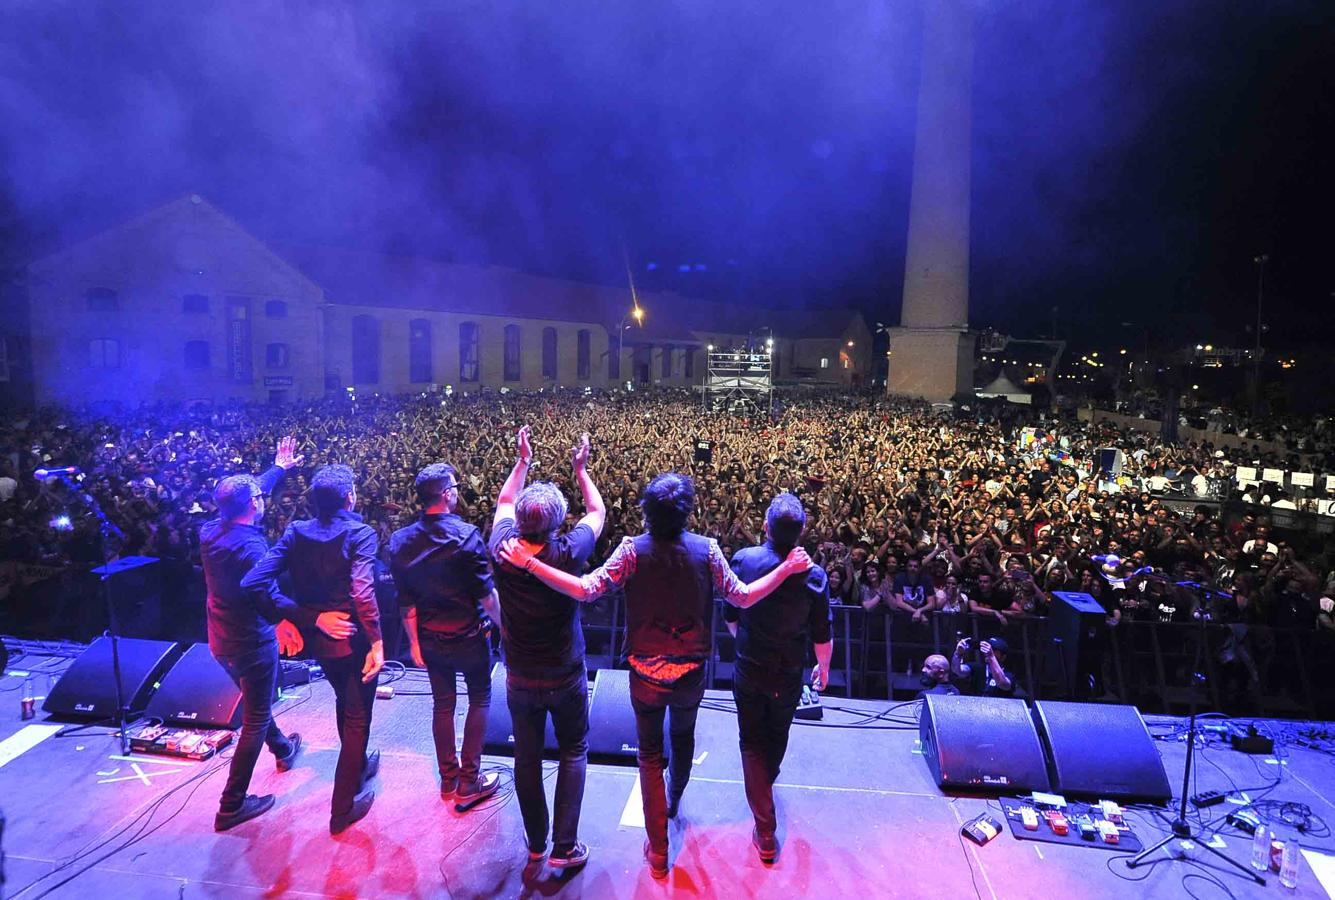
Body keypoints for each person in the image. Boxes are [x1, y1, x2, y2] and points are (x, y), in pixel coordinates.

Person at [499, 472, 812, 879]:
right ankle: (675, 800)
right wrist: (786, 569)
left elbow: (584, 589)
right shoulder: (707, 549)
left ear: (647, 510)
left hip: (644, 672)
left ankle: (659, 849)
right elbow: (744, 596)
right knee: (681, 739)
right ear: (686, 512)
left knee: (648, 755)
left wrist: (531, 563)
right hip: (690, 670)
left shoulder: (631, 550)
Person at [242, 463, 384, 835]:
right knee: (357, 716)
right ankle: (342, 808)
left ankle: (359, 766)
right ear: (350, 497)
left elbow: (252, 582)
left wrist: (299, 617)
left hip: (319, 642)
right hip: (352, 638)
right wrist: (378, 641)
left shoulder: (296, 532)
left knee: (346, 702)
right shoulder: (361, 533)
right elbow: (363, 592)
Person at [488, 427, 605, 867]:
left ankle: (536, 842)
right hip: (565, 671)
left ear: (520, 521)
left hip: (519, 671)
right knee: (574, 749)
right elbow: (596, 509)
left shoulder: (501, 546)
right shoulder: (570, 551)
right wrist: (581, 470)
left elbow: (502, 502)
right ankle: (564, 847)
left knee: (527, 756)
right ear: (559, 523)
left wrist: (523, 462)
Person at [202, 436, 305, 831]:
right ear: (255, 506)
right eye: (260, 497)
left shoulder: (211, 530)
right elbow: (265, 591)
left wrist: (279, 468)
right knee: (256, 715)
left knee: (254, 702)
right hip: (252, 639)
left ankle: (283, 748)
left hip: (220, 638)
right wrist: (284, 621)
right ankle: (232, 804)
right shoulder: (252, 548)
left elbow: (246, 495)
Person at [722, 492, 831, 863]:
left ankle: (764, 824)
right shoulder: (815, 576)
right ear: (801, 532)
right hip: (788, 672)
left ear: (765, 525)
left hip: (750, 665)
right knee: (777, 734)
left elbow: (731, 614)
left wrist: (745, 641)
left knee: (751, 741)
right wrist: (825, 666)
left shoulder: (744, 560)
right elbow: (822, 631)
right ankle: (764, 815)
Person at [390, 461, 504, 810]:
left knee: (443, 704)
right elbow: (486, 596)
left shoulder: (400, 541)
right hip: (469, 635)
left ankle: (448, 778)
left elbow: (406, 602)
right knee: (480, 699)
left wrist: (412, 643)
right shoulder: (467, 535)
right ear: (446, 494)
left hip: (429, 637)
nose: (457, 491)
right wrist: (506, 627)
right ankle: (469, 781)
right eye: (454, 486)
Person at [950, 636, 1015, 697]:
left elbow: (1003, 684)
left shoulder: (1008, 674)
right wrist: (958, 653)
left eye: (994, 650)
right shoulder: (978, 668)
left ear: (1003, 657)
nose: (987, 651)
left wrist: (991, 656)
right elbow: (957, 670)